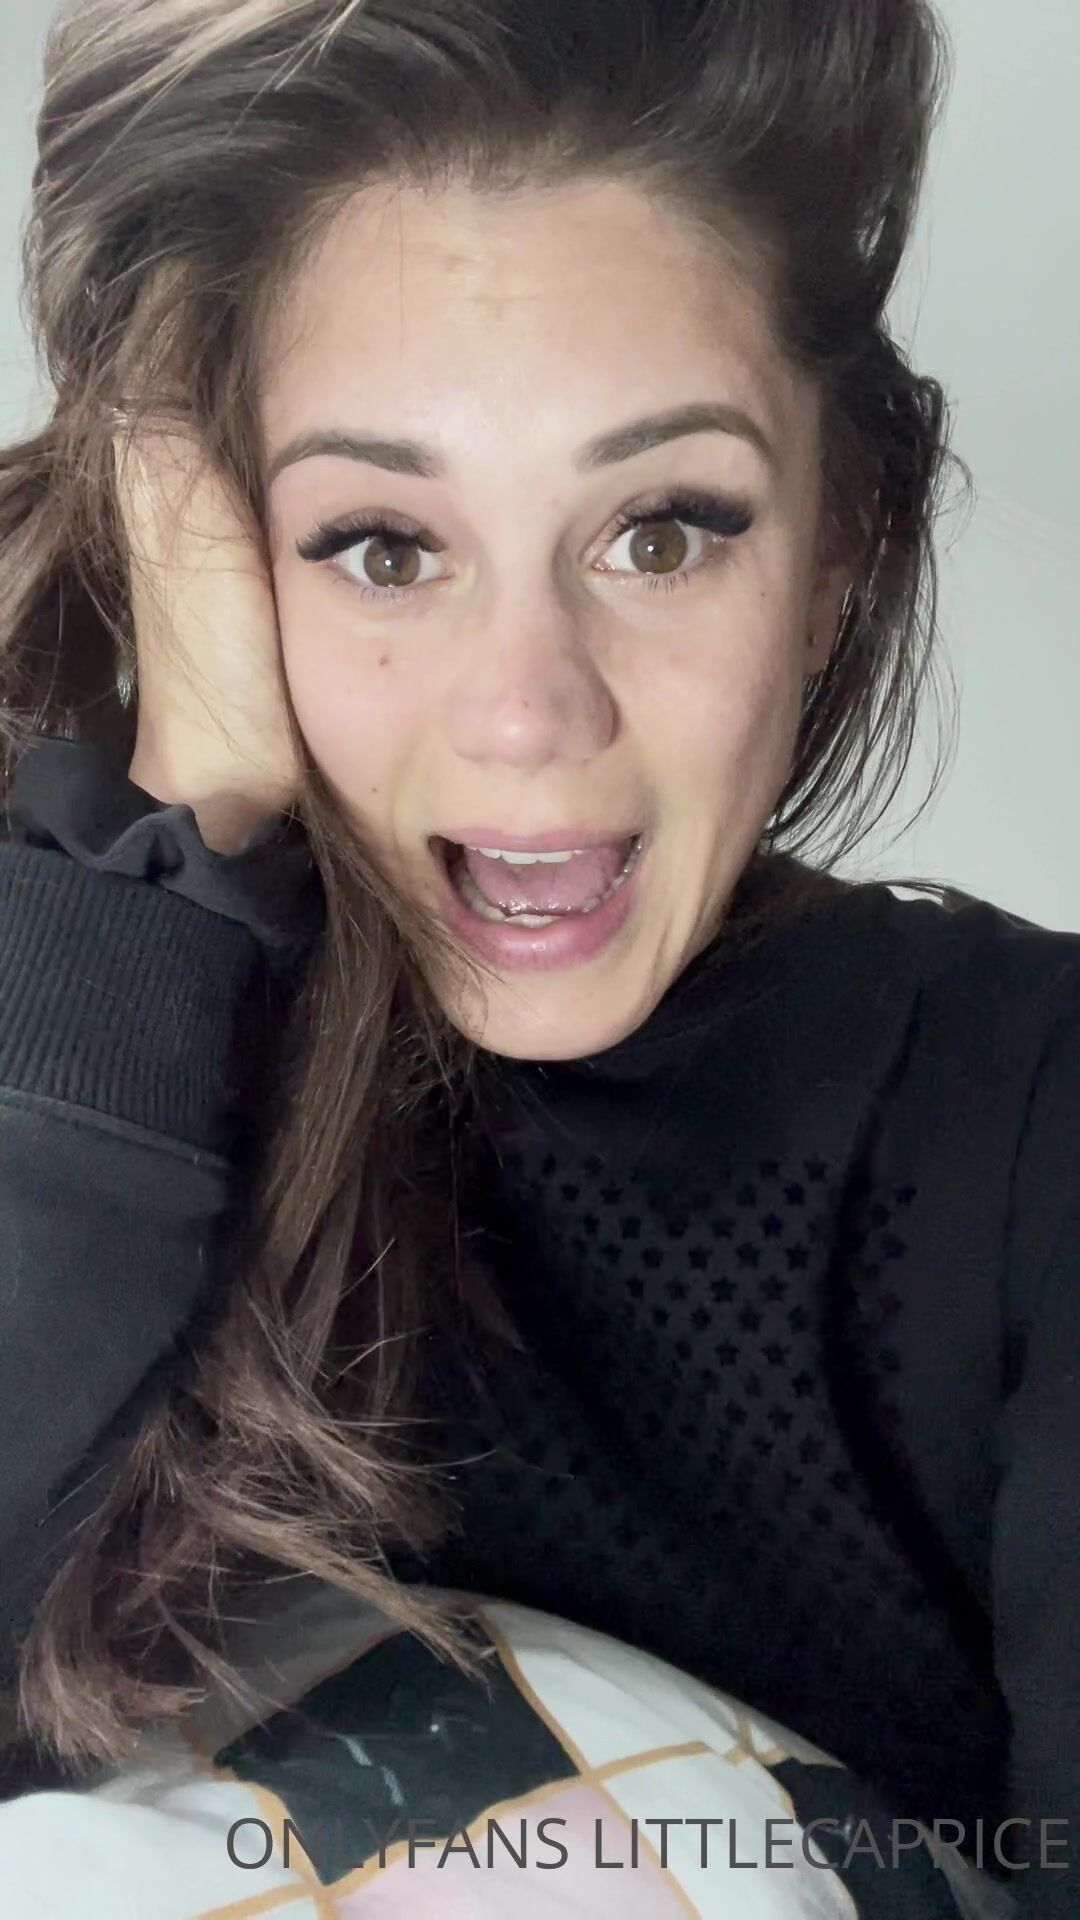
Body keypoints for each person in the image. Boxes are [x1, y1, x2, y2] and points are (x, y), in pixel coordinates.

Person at [0, 0, 1075, 1913]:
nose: (526, 714)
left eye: (661, 533)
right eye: (381, 545)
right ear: (223, 559)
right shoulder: (102, 1031)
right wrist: (198, 799)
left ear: (835, 550)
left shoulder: (1032, 1124)